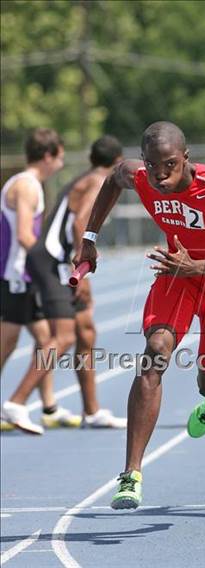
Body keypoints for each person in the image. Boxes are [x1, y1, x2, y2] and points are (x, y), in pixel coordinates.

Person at [74, 121, 205, 509]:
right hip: (176, 274)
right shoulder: (140, 175)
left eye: (169, 165)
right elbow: (114, 178)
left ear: (186, 158)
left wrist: (199, 268)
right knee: (154, 354)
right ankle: (131, 475)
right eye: (152, 166)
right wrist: (89, 238)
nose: (160, 176)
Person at [1, 136, 127, 434]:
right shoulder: (99, 181)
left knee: (85, 331)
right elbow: (79, 223)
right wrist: (79, 267)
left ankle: (92, 411)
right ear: (119, 161)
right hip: (55, 262)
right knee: (65, 336)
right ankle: (17, 402)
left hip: (53, 261)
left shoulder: (85, 177)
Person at [0, 128, 80, 432]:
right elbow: (23, 234)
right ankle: (22, 405)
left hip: (25, 274)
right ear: (47, 156)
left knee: (46, 340)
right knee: (8, 344)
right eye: (60, 157)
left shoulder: (29, 184)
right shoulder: (27, 186)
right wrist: (48, 264)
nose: (61, 163)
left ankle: (48, 406)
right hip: (16, 274)